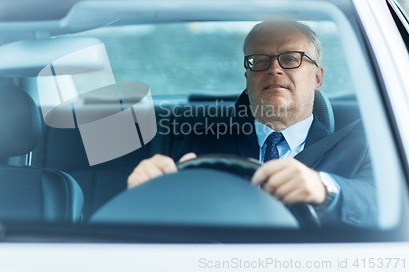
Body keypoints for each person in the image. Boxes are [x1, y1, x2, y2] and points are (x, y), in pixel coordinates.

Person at [127, 21, 376, 227]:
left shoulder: (361, 149)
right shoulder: (202, 143)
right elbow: (174, 219)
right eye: (259, 61)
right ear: (248, 78)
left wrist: (324, 189)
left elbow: (381, 206)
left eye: (290, 59)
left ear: (317, 78)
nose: (274, 69)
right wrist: (148, 194)